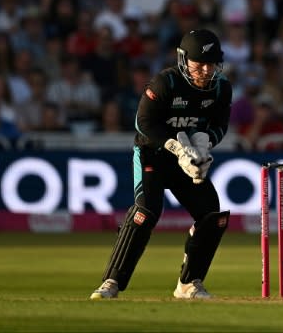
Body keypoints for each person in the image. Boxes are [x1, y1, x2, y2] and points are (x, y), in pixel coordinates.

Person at [90, 29, 233, 300]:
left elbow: (220, 125)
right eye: (199, 63)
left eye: (211, 63)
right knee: (146, 212)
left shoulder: (221, 87)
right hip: (152, 154)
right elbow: (142, 123)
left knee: (212, 216)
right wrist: (176, 148)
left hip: (189, 156)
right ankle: (111, 282)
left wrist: (204, 147)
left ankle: (189, 284)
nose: (205, 70)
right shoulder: (165, 83)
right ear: (183, 60)